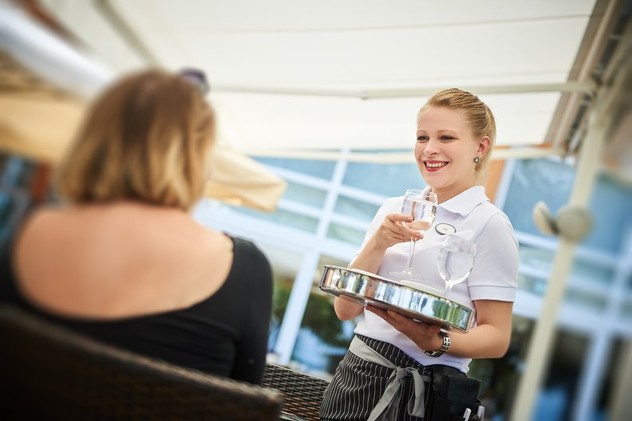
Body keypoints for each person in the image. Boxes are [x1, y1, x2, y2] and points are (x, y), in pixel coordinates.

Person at [0, 68, 273, 385]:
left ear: (94, 137)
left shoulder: (29, 230)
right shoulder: (246, 270)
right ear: (197, 157)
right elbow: (248, 400)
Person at [320, 88, 519, 420]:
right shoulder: (393, 208)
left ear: (480, 147)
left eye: (446, 137)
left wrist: (437, 341)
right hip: (356, 374)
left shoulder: (490, 225)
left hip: (426, 391)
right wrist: (378, 243)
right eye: (422, 137)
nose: (429, 149)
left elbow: (497, 337)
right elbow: (345, 309)